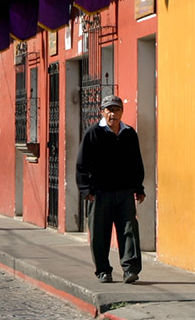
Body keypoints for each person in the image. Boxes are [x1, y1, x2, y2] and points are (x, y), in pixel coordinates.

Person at [75, 94, 145, 284]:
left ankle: (130, 269)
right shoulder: (93, 133)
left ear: (122, 112)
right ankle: (103, 271)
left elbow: (136, 162)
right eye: (109, 110)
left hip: (124, 192)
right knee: (99, 233)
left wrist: (139, 187)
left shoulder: (129, 133)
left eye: (116, 110)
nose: (113, 114)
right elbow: (81, 164)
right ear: (103, 112)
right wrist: (85, 189)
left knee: (129, 230)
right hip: (99, 193)